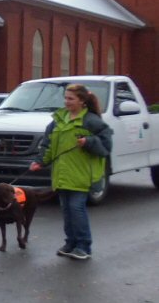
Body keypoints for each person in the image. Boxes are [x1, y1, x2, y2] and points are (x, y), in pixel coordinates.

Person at [30, 84, 112, 260]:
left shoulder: (91, 121)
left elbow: (106, 147)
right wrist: (40, 162)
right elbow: (48, 145)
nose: (66, 102)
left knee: (76, 208)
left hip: (82, 174)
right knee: (66, 210)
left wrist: (89, 142)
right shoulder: (58, 120)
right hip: (62, 174)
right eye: (65, 98)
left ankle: (84, 245)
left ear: (82, 101)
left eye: (71, 98)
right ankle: (71, 243)